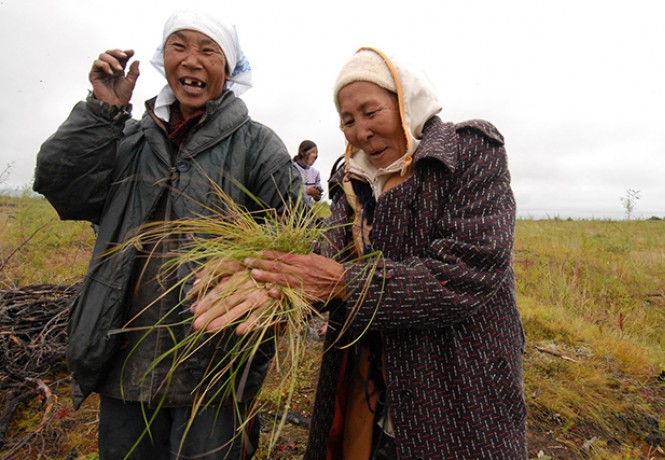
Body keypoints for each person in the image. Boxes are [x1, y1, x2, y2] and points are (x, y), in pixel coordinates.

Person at [191, 47, 527, 459]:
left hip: (455, 379)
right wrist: (266, 270)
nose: (360, 131)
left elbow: (463, 273)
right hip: (370, 382)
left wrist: (341, 282)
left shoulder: (469, 152)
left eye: (371, 112)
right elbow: (328, 250)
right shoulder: (353, 179)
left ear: (405, 103)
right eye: (348, 120)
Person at [33, 10, 302, 460]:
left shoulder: (257, 145)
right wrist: (103, 111)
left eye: (208, 50)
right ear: (163, 60)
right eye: (179, 47)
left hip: (213, 362)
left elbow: (296, 231)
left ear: (230, 70)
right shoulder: (128, 138)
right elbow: (64, 186)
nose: (192, 61)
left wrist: (253, 273)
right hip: (125, 356)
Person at [293, 139, 324, 204]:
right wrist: (306, 192)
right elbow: (288, 193)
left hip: (307, 210)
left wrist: (317, 194)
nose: (315, 155)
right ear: (302, 153)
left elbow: (317, 199)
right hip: (291, 209)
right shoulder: (292, 169)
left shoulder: (316, 173)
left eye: (316, 153)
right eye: (313, 152)